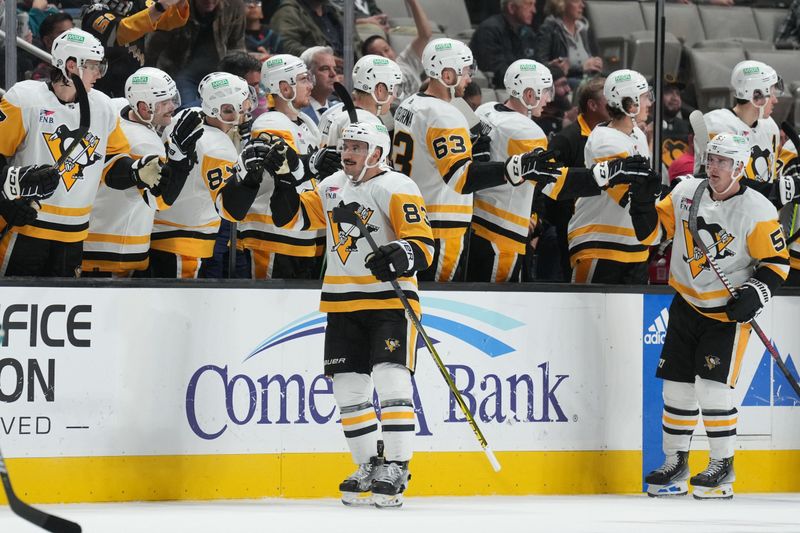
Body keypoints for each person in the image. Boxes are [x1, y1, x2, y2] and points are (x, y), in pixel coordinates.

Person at [269, 121, 433, 508]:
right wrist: (282, 180)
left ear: (377, 151)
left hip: (389, 303)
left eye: (358, 146)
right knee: (347, 389)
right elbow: (291, 217)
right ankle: (368, 464)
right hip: (342, 302)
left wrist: (399, 255)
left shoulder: (398, 187)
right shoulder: (330, 187)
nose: (349, 152)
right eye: (346, 145)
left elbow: (424, 246)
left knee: (391, 380)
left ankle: (396, 464)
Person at [629, 133, 789, 499]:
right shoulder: (686, 192)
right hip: (686, 304)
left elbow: (776, 263)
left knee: (713, 390)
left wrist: (756, 293)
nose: (712, 166)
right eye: (711, 158)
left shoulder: (759, 209)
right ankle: (676, 461)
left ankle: (723, 463)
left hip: (726, 316)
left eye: (722, 161)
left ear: (739, 167)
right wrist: (640, 202)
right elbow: (652, 236)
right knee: (677, 386)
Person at [391, 38, 564, 282]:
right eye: (464, 72)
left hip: (409, 217)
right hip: (440, 226)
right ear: (447, 74)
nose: (470, 78)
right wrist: (514, 167)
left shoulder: (409, 103)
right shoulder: (446, 115)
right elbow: (461, 177)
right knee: (437, 308)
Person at [0, 28, 157, 277]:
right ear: (71, 65)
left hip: (74, 234)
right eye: (94, 66)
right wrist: (4, 203)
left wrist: (136, 171)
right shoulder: (24, 98)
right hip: (25, 229)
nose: (99, 74)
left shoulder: (103, 107)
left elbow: (113, 162)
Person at [473, 61, 648, 283]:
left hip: (478, 226)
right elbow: (554, 183)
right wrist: (604, 173)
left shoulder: (486, 111)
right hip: (503, 235)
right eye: (546, 91)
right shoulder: (527, 131)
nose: (549, 99)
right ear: (529, 93)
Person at [149, 72, 264, 278]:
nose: (247, 105)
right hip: (186, 244)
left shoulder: (186, 117)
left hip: (160, 232)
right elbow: (230, 210)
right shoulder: (218, 147)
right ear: (227, 108)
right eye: (243, 100)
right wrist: (249, 180)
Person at [82, 68, 187, 276]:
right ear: (142, 107)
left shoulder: (116, 108)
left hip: (89, 237)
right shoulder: (148, 145)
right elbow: (160, 201)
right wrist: (181, 162)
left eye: (172, 99)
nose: (172, 106)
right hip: (119, 248)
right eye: (164, 102)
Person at [237, 54, 324, 279]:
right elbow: (285, 170)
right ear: (285, 88)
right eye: (304, 79)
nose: (310, 85)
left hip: (301, 231)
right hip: (273, 233)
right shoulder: (270, 123)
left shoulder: (306, 122)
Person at [567, 69, 653, 284]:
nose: (649, 103)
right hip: (599, 243)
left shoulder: (637, 135)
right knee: (588, 316)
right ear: (629, 103)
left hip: (633, 245)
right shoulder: (605, 141)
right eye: (644, 97)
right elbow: (630, 198)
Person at [696, 61, 783, 183]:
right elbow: (720, 184)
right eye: (772, 93)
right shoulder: (716, 125)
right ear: (756, 95)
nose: (775, 100)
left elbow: (771, 177)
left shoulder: (770, 127)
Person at [146, 0, 246, 105]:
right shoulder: (174, 5)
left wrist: (240, 76)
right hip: (180, 69)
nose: (209, 1)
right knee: (189, 109)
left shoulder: (235, 5)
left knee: (228, 107)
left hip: (219, 70)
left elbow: (236, 44)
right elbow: (153, 46)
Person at [82, 0, 189, 98]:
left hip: (135, 86)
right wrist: (160, 7)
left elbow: (170, 20)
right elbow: (120, 31)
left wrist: (181, 3)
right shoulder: (94, 12)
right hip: (102, 89)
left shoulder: (137, 5)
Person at [318, 54, 403, 150]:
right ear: (380, 90)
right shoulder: (370, 125)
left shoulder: (331, 112)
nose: (395, 96)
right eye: (395, 89)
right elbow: (372, 164)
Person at [361, 0, 432, 100]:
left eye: (386, 50)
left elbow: (425, 35)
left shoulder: (405, 61)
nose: (386, 57)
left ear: (392, 49)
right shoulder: (374, 87)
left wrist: (413, 3)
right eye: (379, 56)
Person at [534, 0, 603, 88]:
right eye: (576, 1)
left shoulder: (583, 29)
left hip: (587, 78)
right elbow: (540, 65)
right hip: (566, 82)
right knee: (593, 88)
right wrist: (582, 68)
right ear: (561, 4)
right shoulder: (550, 29)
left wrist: (596, 63)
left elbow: (591, 58)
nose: (582, 5)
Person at [470, 0, 538, 89]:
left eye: (534, 5)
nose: (534, 10)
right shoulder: (489, 31)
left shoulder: (528, 34)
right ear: (511, 8)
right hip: (499, 90)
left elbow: (537, 64)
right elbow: (497, 73)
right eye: (529, 4)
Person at [659, 76, 691, 176]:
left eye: (677, 93)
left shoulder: (688, 126)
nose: (675, 97)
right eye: (668, 92)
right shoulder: (646, 126)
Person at [30, 12, 74, 82]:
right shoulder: (41, 73)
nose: (72, 39)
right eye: (65, 35)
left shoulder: (82, 66)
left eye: (73, 34)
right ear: (48, 41)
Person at [299, 46, 338, 125]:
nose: (333, 74)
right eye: (325, 68)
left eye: (335, 69)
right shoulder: (296, 113)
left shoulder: (339, 111)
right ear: (308, 75)